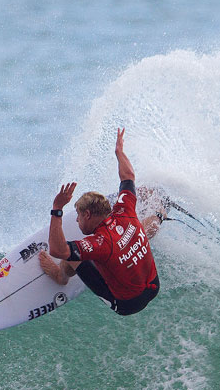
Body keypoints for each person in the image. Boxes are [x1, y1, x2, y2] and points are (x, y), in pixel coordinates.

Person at [38, 129, 160, 316]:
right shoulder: (125, 209)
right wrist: (119, 153)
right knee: (134, 231)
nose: (76, 220)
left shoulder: (99, 244)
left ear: (87, 214)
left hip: (128, 304)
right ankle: (159, 215)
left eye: (78, 215)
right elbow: (128, 176)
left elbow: (58, 250)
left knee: (73, 256)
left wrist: (57, 209)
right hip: (154, 285)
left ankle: (60, 277)